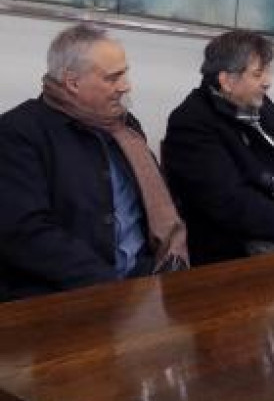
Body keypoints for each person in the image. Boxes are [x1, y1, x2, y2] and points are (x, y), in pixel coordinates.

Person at [0, 23, 188, 301]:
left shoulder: (126, 127)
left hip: (143, 284)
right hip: (64, 296)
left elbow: (157, 208)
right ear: (72, 83)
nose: (126, 86)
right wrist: (109, 287)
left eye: (125, 73)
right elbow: (24, 232)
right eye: (113, 78)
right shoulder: (18, 132)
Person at [162, 30, 274, 266]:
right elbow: (231, 202)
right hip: (235, 251)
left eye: (267, 72)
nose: (267, 82)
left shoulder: (264, 108)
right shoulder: (191, 122)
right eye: (257, 74)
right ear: (227, 81)